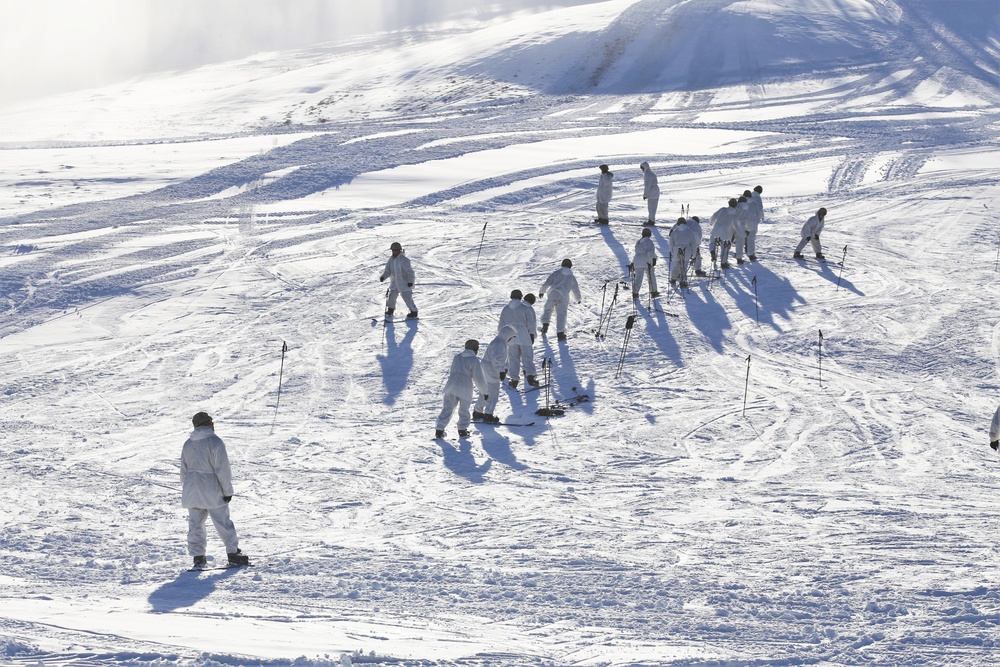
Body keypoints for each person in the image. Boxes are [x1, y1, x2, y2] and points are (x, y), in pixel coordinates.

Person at [180, 412, 249, 568]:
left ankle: (198, 557)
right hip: (211, 489)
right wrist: (227, 491)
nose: (213, 424)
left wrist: (187, 488)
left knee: (195, 524)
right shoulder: (215, 442)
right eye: (212, 421)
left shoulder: (188, 443)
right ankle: (233, 554)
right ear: (208, 423)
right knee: (223, 522)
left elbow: (183, 471)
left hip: (192, 490)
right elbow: (222, 470)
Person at [435, 339, 488, 439]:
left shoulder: (457, 357)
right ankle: (462, 430)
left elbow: (452, 371)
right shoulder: (474, 360)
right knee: (464, 410)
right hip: (465, 387)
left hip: (451, 385)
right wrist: (484, 391)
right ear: (475, 349)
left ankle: (439, 430)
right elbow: (479, 378)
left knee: (447, 408)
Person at [474, 325, 517, 424]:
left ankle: (478, 412)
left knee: (485, 391)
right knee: (493, 392)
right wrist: (501, 370)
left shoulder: (500, 342)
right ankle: (488, 414)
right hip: (490, 369)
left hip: (487, 368)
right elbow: (497, 360)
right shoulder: (499, 344)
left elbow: (502, 359)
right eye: (512, 337)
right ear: (507, 335)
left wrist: (505, 369)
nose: (512, 340)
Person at [498, 290, 539, 388]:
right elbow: (531, 323)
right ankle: (530, 376)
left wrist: (502, 338)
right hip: (524, 335)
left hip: (511, 337)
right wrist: (532, 334)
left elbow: (501, 326)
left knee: (513, 359)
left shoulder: (505, 309)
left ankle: (514, 380)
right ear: (521, 297)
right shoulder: (525, 308)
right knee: (527, 357)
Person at [540, 259, 582, 341]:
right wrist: (578, 299)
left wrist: (542, 291)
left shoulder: (556, 273)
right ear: (570, 266)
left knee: (548, 309)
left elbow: (548, 281)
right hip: (564, 296)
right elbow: (575, 289)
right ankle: (560, 333)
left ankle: (545, 324)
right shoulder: (572, 277)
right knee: (561, 315)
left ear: (562, 265)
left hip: (553, 294)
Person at [379, 241, 418, 320]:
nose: (394, 252)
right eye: (393, 250)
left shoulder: (404, 260)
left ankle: (414, 312)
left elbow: (410, 272)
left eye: (396, 250)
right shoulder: (391, 260)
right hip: (394, 282)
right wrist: (383, 277)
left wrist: (410, 281)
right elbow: (388, 271)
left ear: (399, 250)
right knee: (392, 296)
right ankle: (390, 310)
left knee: (407, 298)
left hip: (404, 283)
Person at [709, 199, 738, 269]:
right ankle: (723, 262)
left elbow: (714, 216)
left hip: (716, 227)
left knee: (712, 242)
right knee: (725, 246)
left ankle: (712, 251)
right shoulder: (735, 214)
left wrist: (711, 222)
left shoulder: (723, 210)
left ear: (729, 203)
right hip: (725, 230)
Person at [630, 227, 659, 298]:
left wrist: (633, 262)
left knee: (638, 278)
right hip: (646, 261)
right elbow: (650, 252)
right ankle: (653, 291)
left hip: (637, 261)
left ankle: (635, 292)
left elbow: (637, 253)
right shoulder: (649, 241)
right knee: (651, 276)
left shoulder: (638, 242)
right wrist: (654, 258)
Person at [668, 218, 697, 287]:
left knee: (677, 265)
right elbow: (693, 244)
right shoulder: (690, 231)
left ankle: (673, 278)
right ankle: (683, 281)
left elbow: (671, 243)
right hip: (686, 250)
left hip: (676, 250)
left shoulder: (674, 232)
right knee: (684, 265)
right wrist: (694, 255)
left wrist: (671, 252)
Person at [734, 195, 752, 265]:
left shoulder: (736, 207)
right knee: (740, 243)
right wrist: (748, 229)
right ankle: (739, 258)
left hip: (733, 225)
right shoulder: (747, 208)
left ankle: (724, 260)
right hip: (742, 226)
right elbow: (748, 219)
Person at [748, 185, 764, 261]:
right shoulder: (757, 198)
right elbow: (760, 209)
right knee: (751, 237)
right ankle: (751, 254)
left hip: (745, 220)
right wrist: (761, 217)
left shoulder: (748, 196)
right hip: (753, 220)